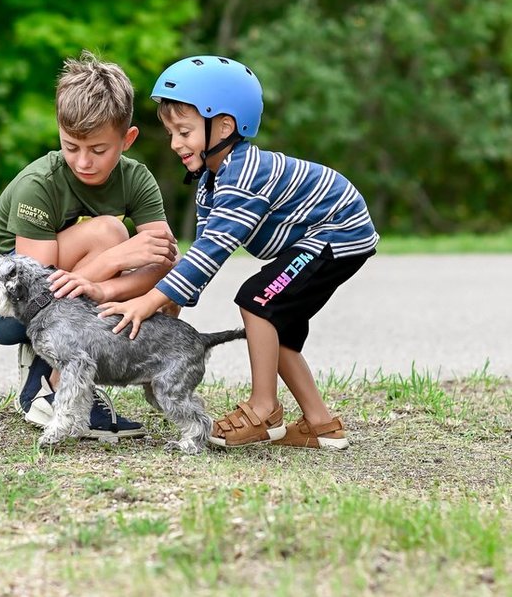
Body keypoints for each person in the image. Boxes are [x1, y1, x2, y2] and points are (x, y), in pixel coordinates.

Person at [98, 54, 379, 450]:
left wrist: (147, 301)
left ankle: (263, 409)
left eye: (184, 131)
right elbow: (201, 252)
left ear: (225, 126)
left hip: (337, 233)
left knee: (256, 301)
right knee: (273, 325)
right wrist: (172, 304)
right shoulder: (211, 181)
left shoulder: (244, 174)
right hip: (319, 238)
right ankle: (321, 424)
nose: (176, 143)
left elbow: (214, 251)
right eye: (171, 134)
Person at [0, 51, 178, 439]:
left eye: (98, 150)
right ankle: (49, 388)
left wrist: (107, 288)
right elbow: (33, 290)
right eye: (71, 146)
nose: (83, 162)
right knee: (110, 233)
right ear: (59, 131)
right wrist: (116, 257)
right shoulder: (39, 183)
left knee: (166, 294)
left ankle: (108, 375)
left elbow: (162, 263)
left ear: (127, 139)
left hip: (54, 291)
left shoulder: (136, 179)